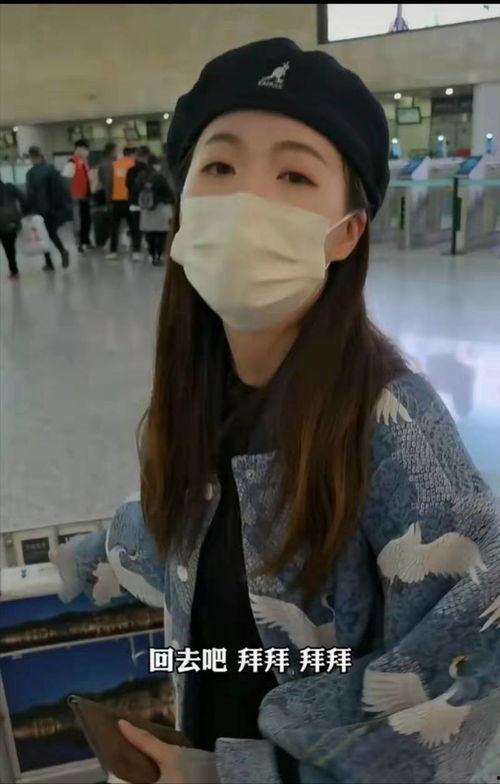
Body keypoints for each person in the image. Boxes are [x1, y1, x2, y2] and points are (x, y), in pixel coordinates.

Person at [50, 39, 499, 784]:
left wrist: (226, 774)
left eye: (294, 175)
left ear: (347, 231)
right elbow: (193, 531)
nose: (247, 202)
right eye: (220, 168)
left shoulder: (390, 424)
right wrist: (82, 561)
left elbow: (465, 679)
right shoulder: (195, 396)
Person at [26, 146, 71, 271]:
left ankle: (50, 262)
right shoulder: (51, 169)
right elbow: (62, 188)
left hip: (40, 209)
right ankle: (61, 252)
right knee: (50, 233)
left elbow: (31, 194)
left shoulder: (31, 173)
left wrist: (27, 210)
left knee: (43, 234)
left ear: (31, 157)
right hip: (54, 208)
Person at [137, 154, 174, 266]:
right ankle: (158, 256)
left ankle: (151, 254)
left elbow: (134, 190)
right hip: (159, 209)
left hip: (145, 210)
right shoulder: (159, 177)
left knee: (149, 234)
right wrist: (169, 200)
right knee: (161, 233)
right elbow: (169, 193)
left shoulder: (141, 176)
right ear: (155, 164)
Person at [106, 146, 136, 260]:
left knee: (114, 227)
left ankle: (113, 251)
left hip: (116, 200)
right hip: (130, 200)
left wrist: (110, 198)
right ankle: (136, 251)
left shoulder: (114, 165)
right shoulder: (134, 164)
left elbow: (109, 182)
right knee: (133, 227)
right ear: (132, 154)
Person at [63, 139, 92, 253]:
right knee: (78, 222)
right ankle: (79, 243)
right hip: (76, 198)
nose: (86, 152)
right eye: (85, 149)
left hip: (85, 197)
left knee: (86, 220)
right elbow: (66, 181)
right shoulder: (71, 163)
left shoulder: (84, 162)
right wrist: (70, 196)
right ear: (79, 149)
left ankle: (86, 241)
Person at [126, 145, 150, 261]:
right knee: (149, 227)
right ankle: (151, 251)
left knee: (135, 228)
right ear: (146, 156)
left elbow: (127, 185)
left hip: (134, 202)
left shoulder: (130, 170)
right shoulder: (148, 169)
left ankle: (136, 251)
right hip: (146, 204)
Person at [0, 177, 25, 278]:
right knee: (10, 245)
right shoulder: (10, 186)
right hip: (13, 220)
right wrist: (24, 211)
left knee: (7, 246)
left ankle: (13, 269)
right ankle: (13, 268)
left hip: (2, 222)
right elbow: (23, 198)